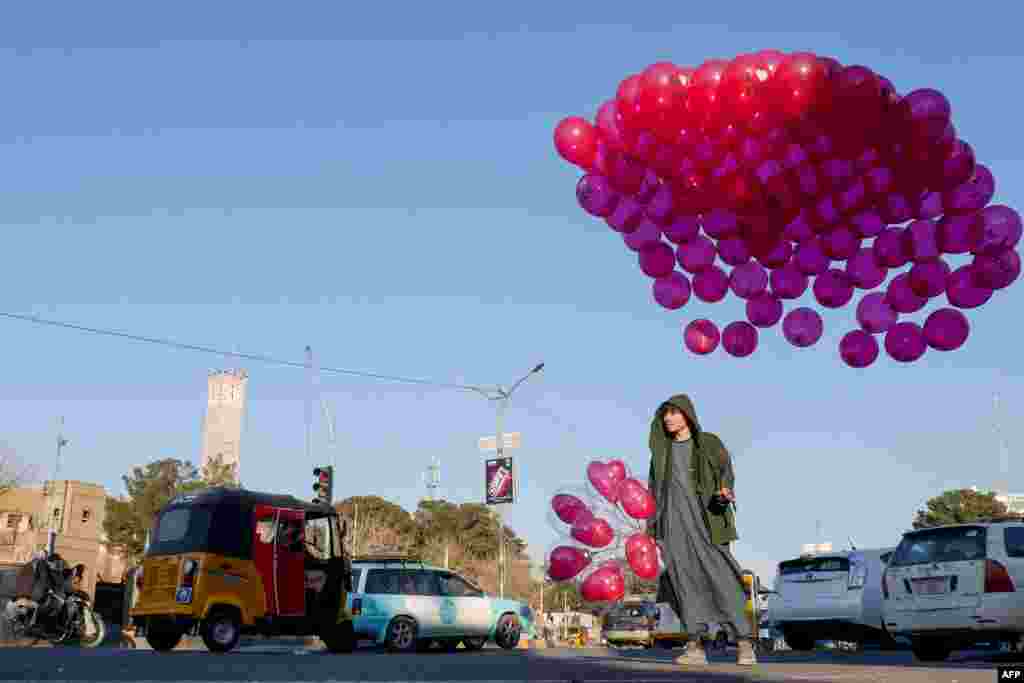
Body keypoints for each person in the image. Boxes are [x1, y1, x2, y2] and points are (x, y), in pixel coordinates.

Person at [646, 394, 756, 667]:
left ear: (688, 415)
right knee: (682, 582)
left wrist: (724, 491)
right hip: (673, 527)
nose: (669, 418)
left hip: (707, 523)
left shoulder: (708, 443)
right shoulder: (661, 453)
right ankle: (694, 645)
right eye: (665, 414)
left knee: (723, 578)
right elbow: (652, 491)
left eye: (674, 412)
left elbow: (725, 472)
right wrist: (652, 527)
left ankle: (744, 643)